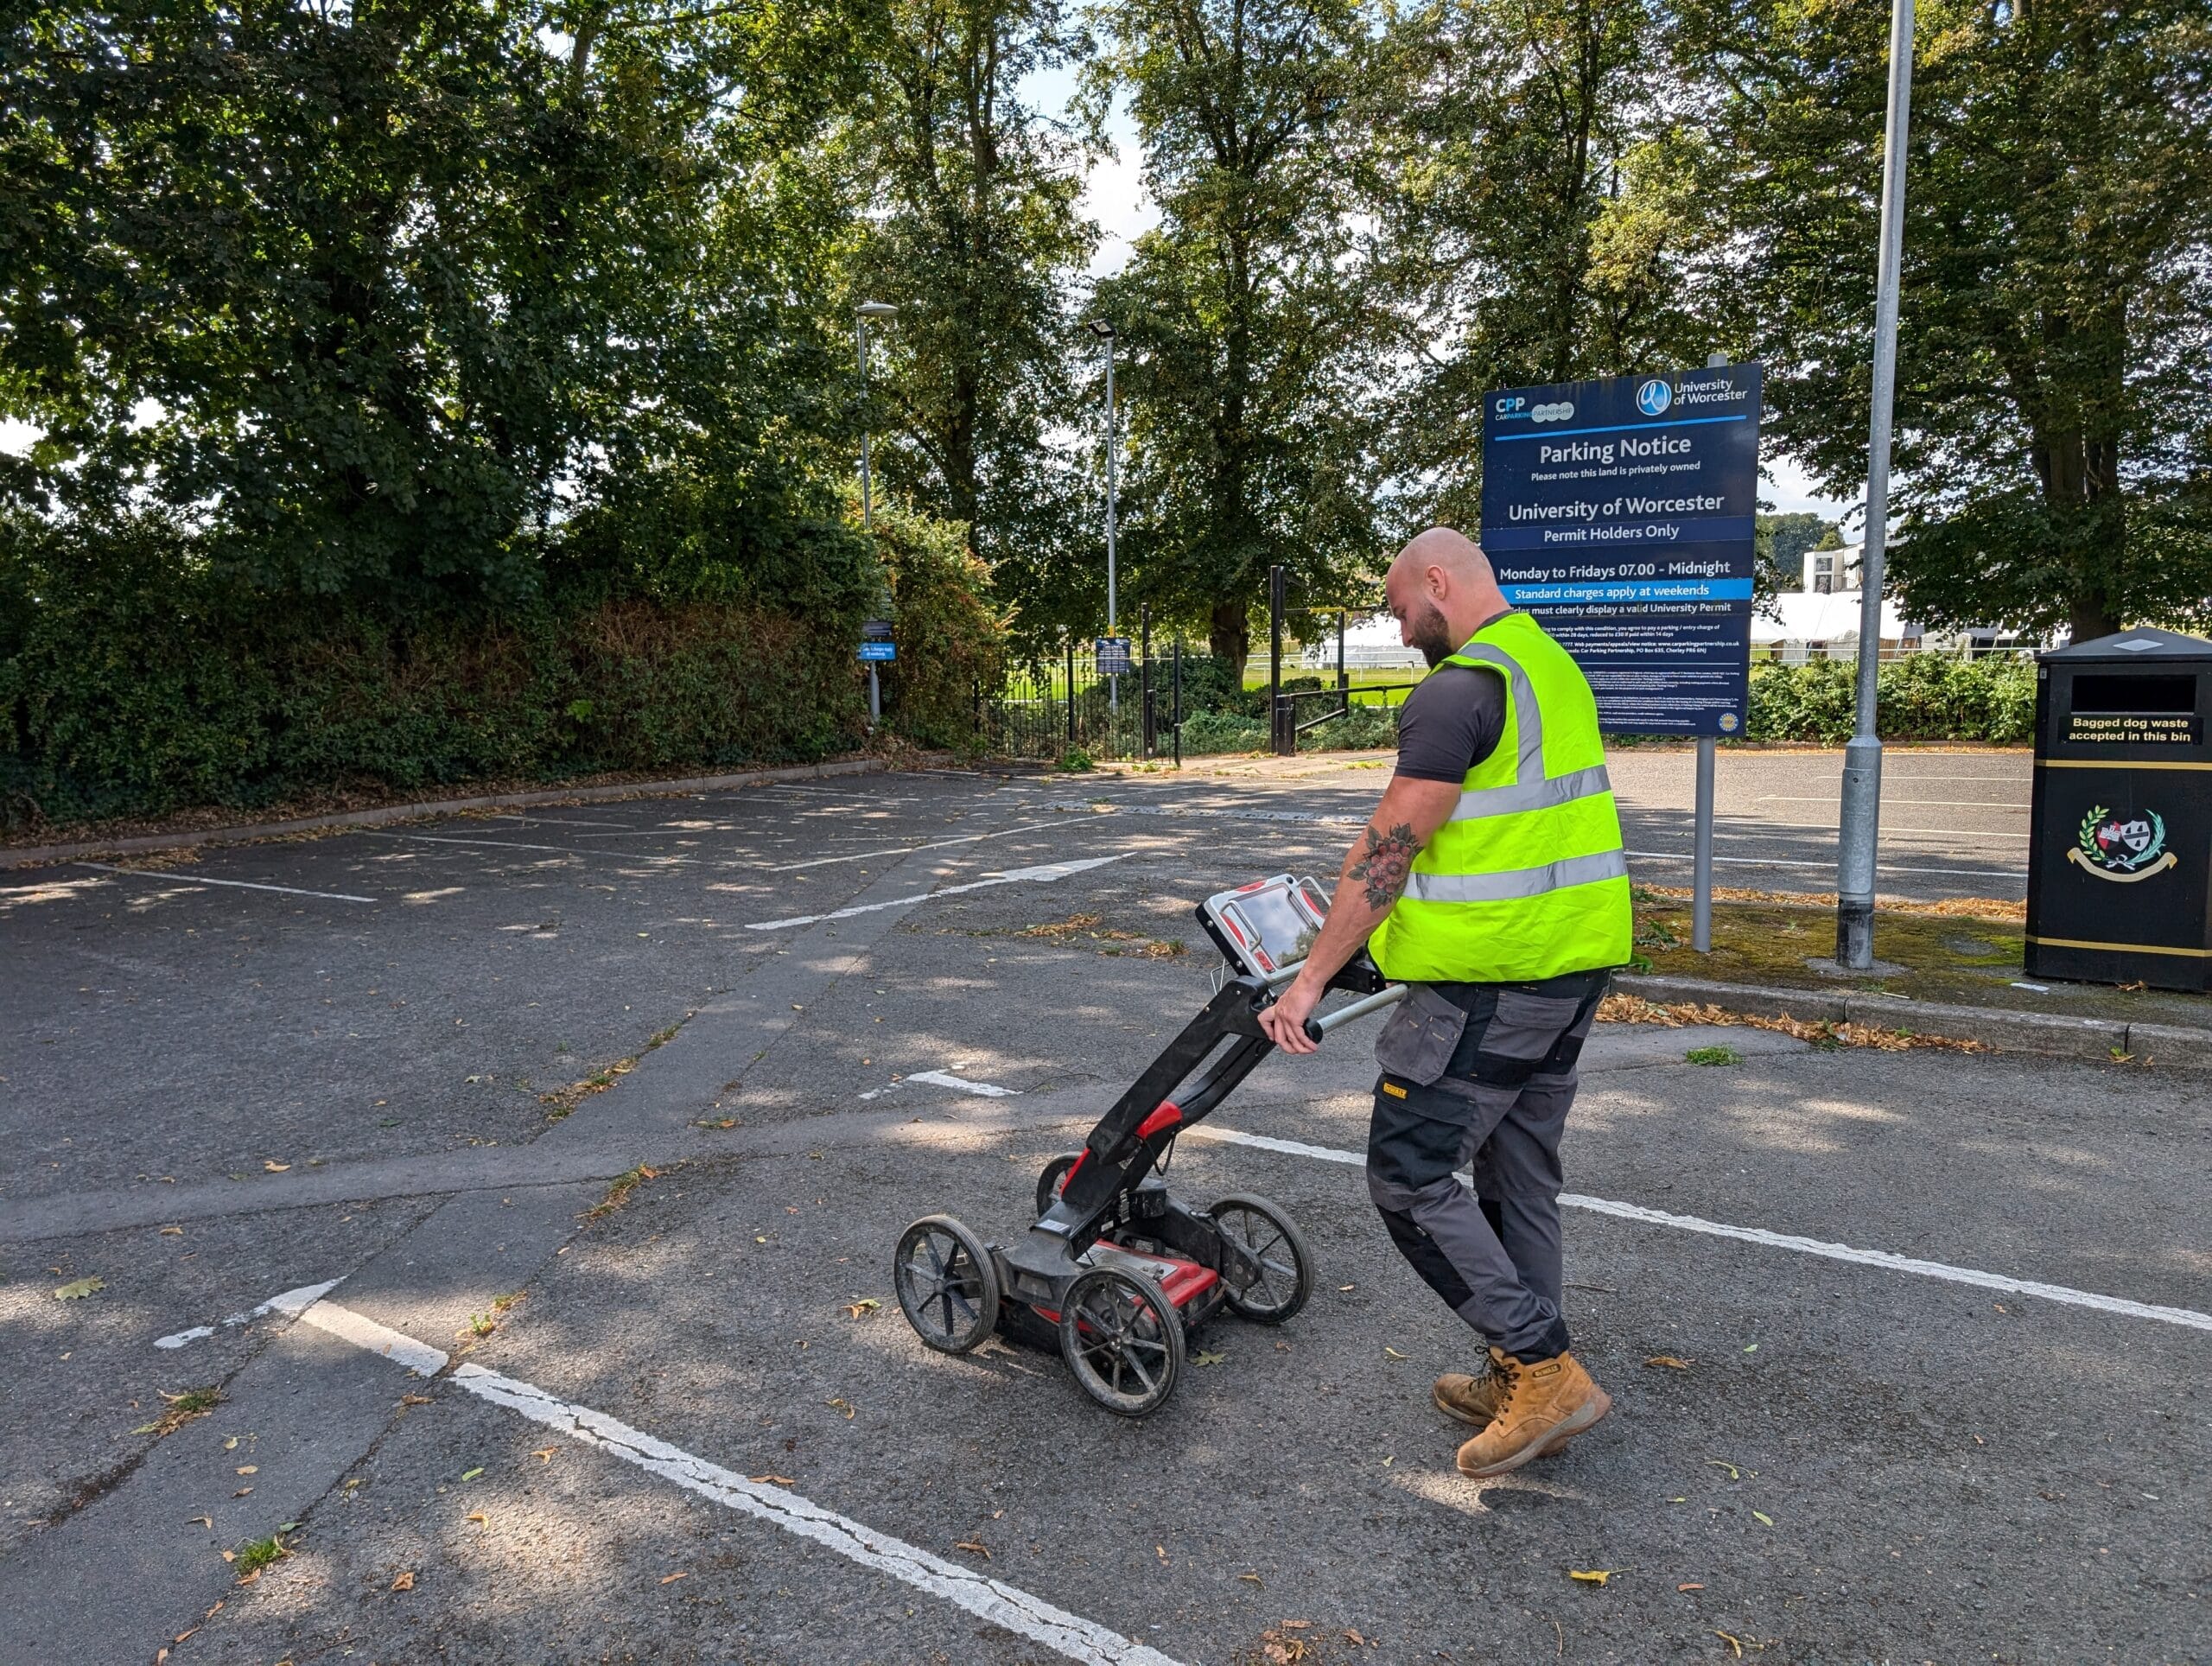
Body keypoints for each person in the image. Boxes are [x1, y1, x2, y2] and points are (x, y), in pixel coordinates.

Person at [1256, 526, 1631, 1478]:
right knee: (1517, 1176)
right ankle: (1524, 1370)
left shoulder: (1459, 688)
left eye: (1395, 606)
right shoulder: (1546, 662)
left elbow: (1390, 850)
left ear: (1435, 581)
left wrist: (1307, 979)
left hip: (1490, 987)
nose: (1397, 624)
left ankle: (1543, 1370)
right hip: (1568, 968)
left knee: (1410, 1173)